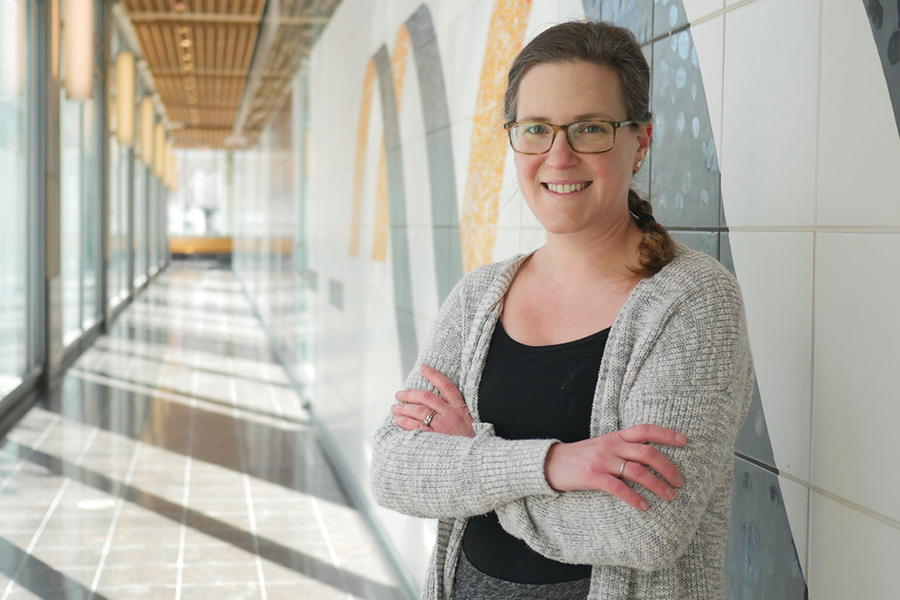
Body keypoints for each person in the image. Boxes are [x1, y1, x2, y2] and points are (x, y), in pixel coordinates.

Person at [370, 20, 753, 600]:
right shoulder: (479, 298)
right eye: (536, 129)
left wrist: (477, 462)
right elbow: (394, 469)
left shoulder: (694, 301)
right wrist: (551, 466)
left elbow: (643, 526)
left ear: (640, 141)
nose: (559, 155)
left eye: (590, 128)